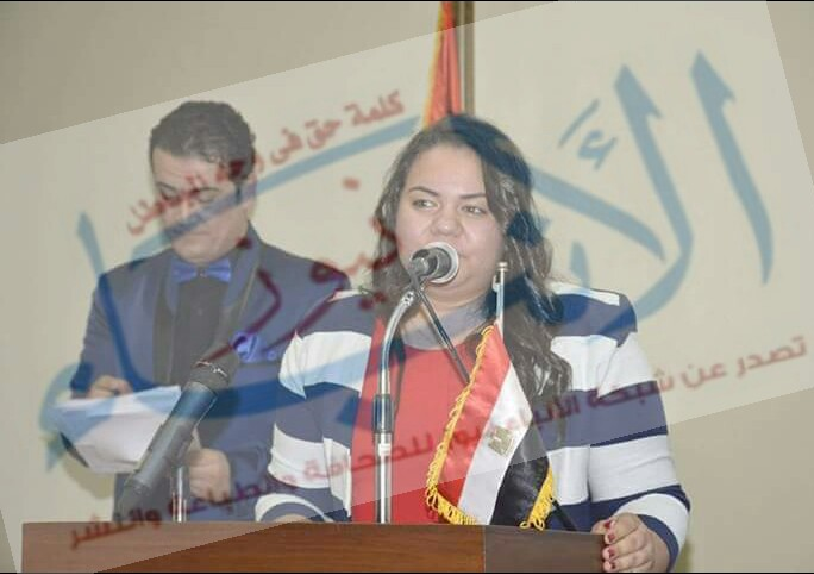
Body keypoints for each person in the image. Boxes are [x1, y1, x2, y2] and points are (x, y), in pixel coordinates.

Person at [256, 114, 689, 572]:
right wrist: (292, 535)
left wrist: (641, 543)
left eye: (474, 209)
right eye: (424, 202)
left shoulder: (589, 333)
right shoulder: (328, 335)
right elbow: (290, 496)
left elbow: (653, 501)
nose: (444, 225)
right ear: (393, 216)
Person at [64, 100, 348, 521]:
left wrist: (240, 474)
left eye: (205, 198)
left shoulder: (315, 294)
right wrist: (93, 415)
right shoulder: (118, 291)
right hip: (139, 541)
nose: (183, 217)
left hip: (262, 539)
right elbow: (78, 438)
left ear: (248, 188)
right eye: (168, 196)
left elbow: (336, 450)